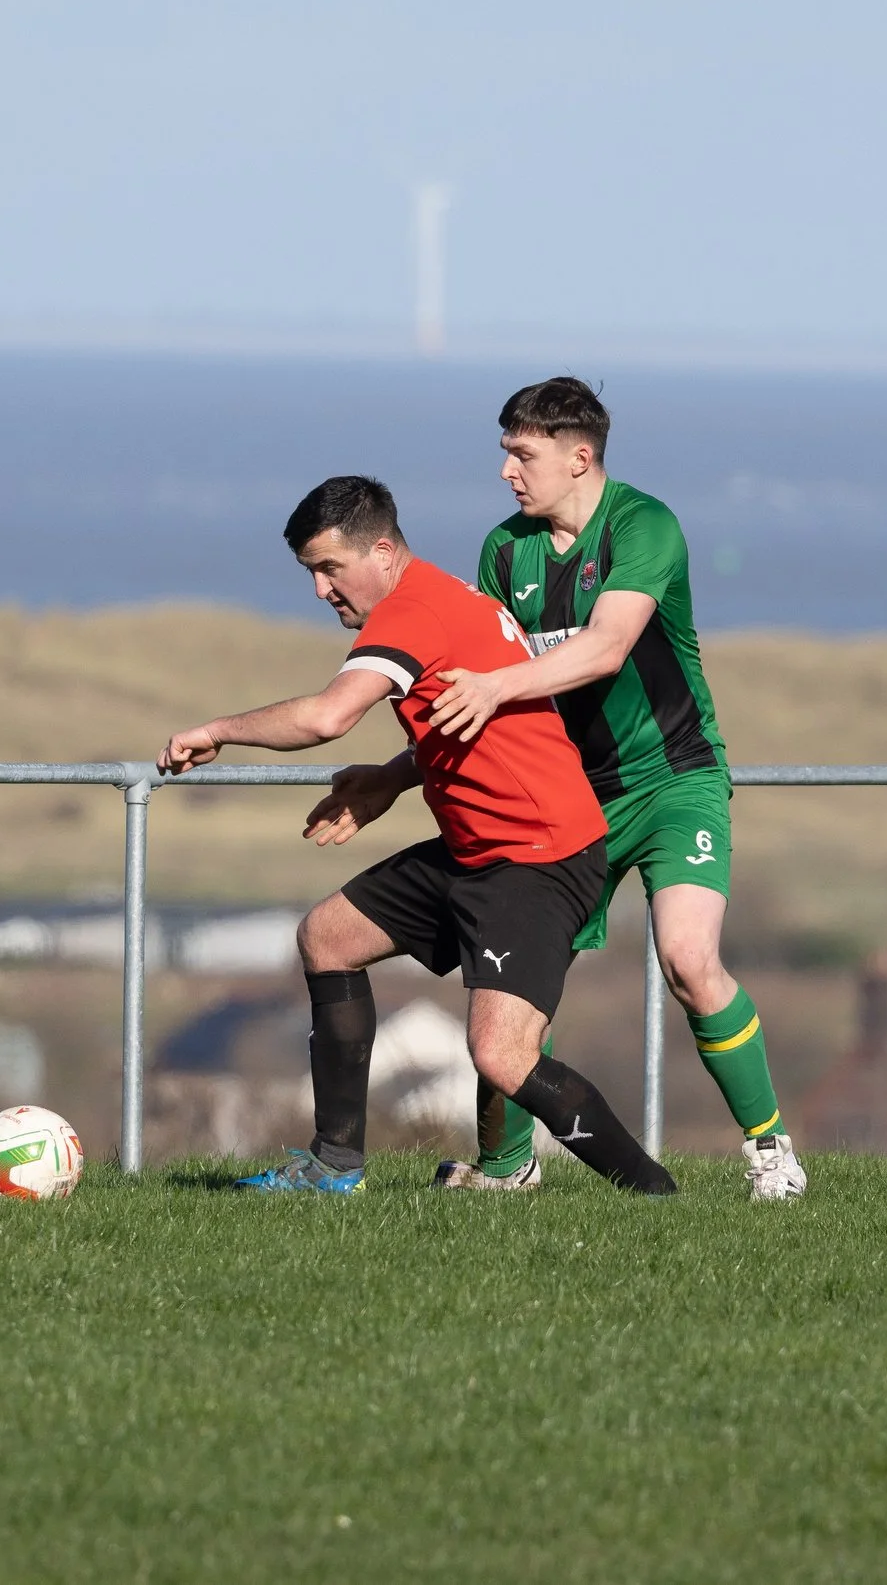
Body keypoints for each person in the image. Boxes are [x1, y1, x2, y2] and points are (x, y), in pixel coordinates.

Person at [308, 378, 807, 1200]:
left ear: (580, 457)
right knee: (506, 984)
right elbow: (469, 704)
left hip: (675, 779)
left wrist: (502, 686)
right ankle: (508, 1167)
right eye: (505, 452)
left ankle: (770, 1152)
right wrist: (395, 780)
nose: (507, 470)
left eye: (523, 454)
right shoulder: (505, 550)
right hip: (573, 799)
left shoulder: (644, 526)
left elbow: (606, 647)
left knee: (688, 960)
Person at [159, 475, 675, 1196]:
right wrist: (392, 779)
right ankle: (333, 1167)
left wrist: (215, 730)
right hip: (479, 850)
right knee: (329, 937)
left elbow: (327, 717)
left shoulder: (410, 611)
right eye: (309, 572)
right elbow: (473, 725)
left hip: (538, 857)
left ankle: (652, 1194)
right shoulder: (441, 595)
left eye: (330, 569)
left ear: (381, 551)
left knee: (501, 1056)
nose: (320, 590)